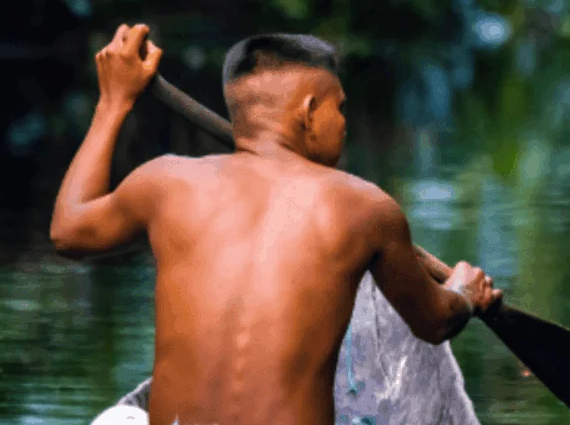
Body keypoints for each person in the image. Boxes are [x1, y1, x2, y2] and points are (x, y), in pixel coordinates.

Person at [51, 24, 502, 425]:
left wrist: (114, 101)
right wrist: (464, 292)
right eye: (339, 108)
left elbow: (68, 230)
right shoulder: (366, 207)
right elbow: (434, 322)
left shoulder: (166, 181)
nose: (344, 124)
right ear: (308, 111)